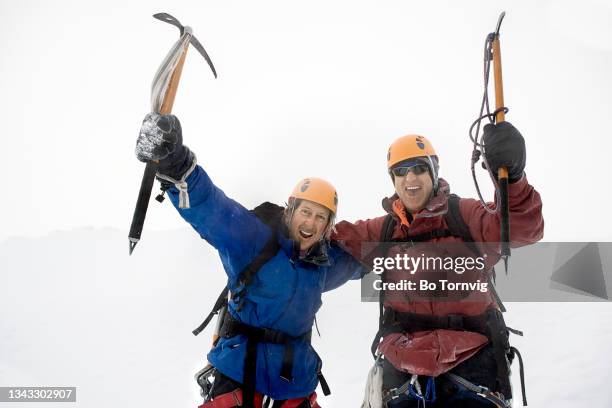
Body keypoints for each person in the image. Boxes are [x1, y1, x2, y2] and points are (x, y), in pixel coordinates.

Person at [135, 112, 365, 408]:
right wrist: (176, 163)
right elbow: (214, 210)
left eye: (320, 217)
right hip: (240, 376)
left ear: (327, 226)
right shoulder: (255, 239)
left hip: (295, 384)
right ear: (290, 211)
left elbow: (367, 263)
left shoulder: (325, 265)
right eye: (305, 212)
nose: (311, 222)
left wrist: (412, 256)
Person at [333, 122, 544, 407]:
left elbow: (520, 228)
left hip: (473, 355)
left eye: (419, 168)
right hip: (402, 358)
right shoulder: (383, 231)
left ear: (433, 171)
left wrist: (513, 179)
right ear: (392, 179)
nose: (411, 178)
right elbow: (334, 238)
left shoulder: (464, 216)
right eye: (401, 171)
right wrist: (289, 224)